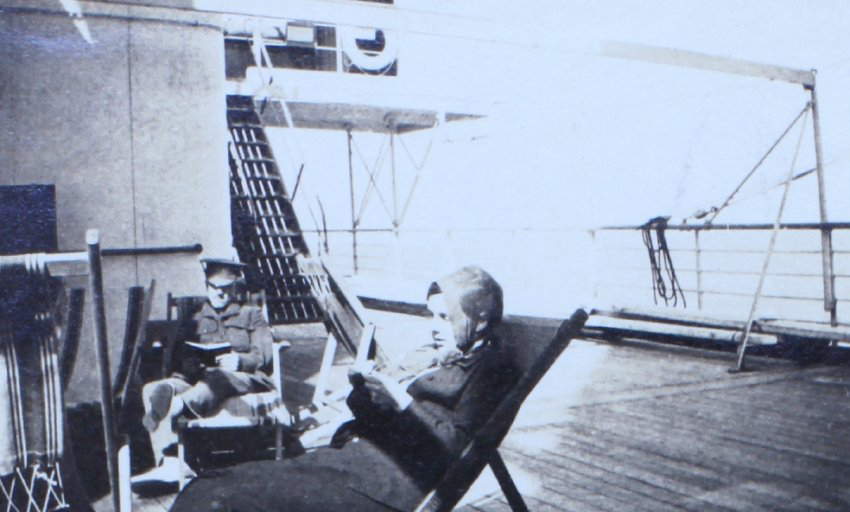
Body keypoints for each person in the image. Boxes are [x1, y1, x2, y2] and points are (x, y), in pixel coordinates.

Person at [170, 266, 518, 511]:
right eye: (431, 316)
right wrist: (363, 388)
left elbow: (458, 445)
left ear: (481, 319)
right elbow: (378, 417)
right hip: (357, 462)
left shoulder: (492, 369)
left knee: (222, 499)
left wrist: (399, 398)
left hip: (390, 485)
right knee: (211, 485)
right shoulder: (439, 356)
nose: (434, 328)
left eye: (445, 317)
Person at [131, 257, 274, 488]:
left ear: (235, 288)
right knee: (154, 389)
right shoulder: (194, 317)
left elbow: (264, 355)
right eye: (213, 288)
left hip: (240, 378)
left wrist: (240, 361)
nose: (219, 294)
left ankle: (179, 407)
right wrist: (187, 364)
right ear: (207, 286)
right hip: (197, 379)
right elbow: (177, 357)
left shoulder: (251, 314)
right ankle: (169, 461)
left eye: (225, 289)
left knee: (218, 377)